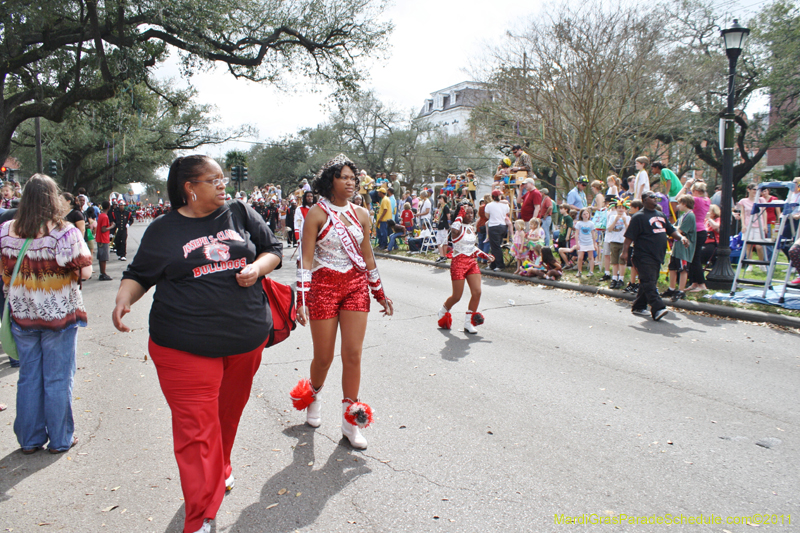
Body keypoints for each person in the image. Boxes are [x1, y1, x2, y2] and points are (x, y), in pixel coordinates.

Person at [112, 155, 283, 533]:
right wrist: (125, 299)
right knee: (195, 434)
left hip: (245, 339)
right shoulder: (163, 230)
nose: (223, 185)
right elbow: (139, 273)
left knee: (226, 417)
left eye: (223, 178)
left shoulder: (239, 212)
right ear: (190, 188)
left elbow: (273, 249)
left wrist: (257, 268)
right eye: (213, 179)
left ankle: (220, 468)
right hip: (183, 345)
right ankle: (201, 517)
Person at [291, 154, 393, 451]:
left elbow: (368, 256)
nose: (350, 182)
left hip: (354, 287)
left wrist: (379, 292)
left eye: (353, 178)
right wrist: (301, 299)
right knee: (323, 357)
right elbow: (305, 259)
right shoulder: (316, 214)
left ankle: (351, 422)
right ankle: (313, 395)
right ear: (330, 181)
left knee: (353, 355)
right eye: (344, 177)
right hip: (322, 287)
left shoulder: (361, 214)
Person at [1, 174, 93, 454]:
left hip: (22, 313)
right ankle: (61, 438)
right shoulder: (65, 233)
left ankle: (29, 439)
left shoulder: (5, 230)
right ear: (53, 199)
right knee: (58, 377)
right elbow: (85, 272)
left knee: (29, 376)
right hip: (59, 316)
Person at [621, 191, 690, 321]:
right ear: (644, 200)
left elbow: (671, 230)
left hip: (657, 255)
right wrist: (625, 252)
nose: (655, 199)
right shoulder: (638, 217)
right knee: (648, 281)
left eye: (656, 197)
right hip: (643, 254)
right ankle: (658, 308)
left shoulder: (661, 215)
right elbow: (629, 237)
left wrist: (681, 238)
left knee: (649, 281)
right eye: (652, 197)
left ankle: (638, 306)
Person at [437, 205, 493, 334]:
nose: (470, 216)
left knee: (477, 292)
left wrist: (485, 256)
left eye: (471, 213)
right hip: (458, 263)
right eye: (466, 213)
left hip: (471, 262)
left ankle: (468, 323)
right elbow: (455, 231)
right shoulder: (456, 228)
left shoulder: (471, 228)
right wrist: (460, 214)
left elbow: (472, 247)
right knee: (457, 296)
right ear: (461, 214)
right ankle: (443, 311)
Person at [662, 195, 697, 301]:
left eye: (679, 203)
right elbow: (673, 227)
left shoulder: (690, 216)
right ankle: (671, 288)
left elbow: (680, 231)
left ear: (685, 204)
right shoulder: (683, 216)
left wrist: (669, 228)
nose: (678, 206)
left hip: (684, 248)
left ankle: (681, 291)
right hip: (677, 247)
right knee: (672, 267)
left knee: (683, 269)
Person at [604, 200, 630, 289]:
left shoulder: (628, 218)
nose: (621, 209)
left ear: (626, 209)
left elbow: (629, 230)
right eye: (619, 207)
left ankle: (621, 279)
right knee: (614, 261)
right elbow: (609, 229)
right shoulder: (612, 217)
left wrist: (625, 222)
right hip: (614, 241)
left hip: (624, 242)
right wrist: (615, 220)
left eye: (623, 208)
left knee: (622, 261)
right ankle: (614, 278)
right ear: (616, 208)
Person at [485, 190, 511, 271]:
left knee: (495, 247)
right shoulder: (505, 205)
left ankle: (500, 265)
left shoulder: (489, 205)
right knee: (496, 246)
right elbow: (508, 212)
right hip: (503, 226)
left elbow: (487, 216)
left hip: (494, 226)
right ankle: (493, 264)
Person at [96, 201, 115, 280]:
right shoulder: (105, 217)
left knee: (101, 257)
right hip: (103, 239)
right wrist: (112, 226)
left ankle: (102, 272)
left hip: (100, 239)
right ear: (108, 207)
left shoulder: (101, 215)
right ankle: (103, 273)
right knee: (103, 257)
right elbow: (103, 229)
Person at [434, 194, 451, 263]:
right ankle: (442, 255)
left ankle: (444, 256)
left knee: (444, 242)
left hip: (444, 226)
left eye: (440, 199)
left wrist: (449, 224)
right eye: (439, 199)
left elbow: (448, 216)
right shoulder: (440, 207)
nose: (439, 200)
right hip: (440, 225)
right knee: (439, 241)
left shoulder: (446, 207)